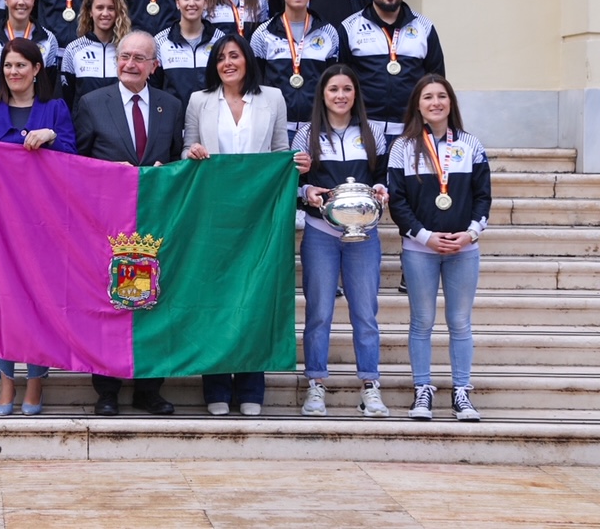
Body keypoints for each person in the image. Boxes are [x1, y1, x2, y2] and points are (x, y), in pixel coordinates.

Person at [183, 34, 294, 416]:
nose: (227, 62)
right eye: (220, 57)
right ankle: (215, 386)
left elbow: (281, 150)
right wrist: (192, 152)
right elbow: (187, 149)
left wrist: (297, 166)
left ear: (247, 60)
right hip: (213, 213)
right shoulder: (199, 101)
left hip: (258, 213)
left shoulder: (273, 98)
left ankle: (250, 386)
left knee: (254, 297)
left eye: (234, 55)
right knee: (214, 299)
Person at [74, 30, 184, 415]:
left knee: (154, 300)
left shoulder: (170, 105)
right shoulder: (91, 102)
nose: (131, 64)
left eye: (140, 58)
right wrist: (107, 173)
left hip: (155, 221)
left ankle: (149, 390)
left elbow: (176, 162)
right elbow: (79, 163)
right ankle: (106, 390)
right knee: (110, 304)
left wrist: (163, 171)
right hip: (106, 223)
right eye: (125, 56)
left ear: (154, 66)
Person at [0, 37, 76, 415]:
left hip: (46, 224)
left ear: (36, 70)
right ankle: (6, 382)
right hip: (1, 224)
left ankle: (35, 383)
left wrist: (52, 137)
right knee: (3, 301)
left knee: (39, 302)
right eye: (8, 65)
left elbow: (73, 160)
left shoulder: (55, 108)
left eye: (21, 65)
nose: (13, 72)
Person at [388, 75, 491, 422]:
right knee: (422, 321)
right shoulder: (403, 147)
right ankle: (423, 391)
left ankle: (461, 393)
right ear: (417, 104)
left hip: (463, 248)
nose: (436, 102)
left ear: (451, 102)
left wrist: (471, 234)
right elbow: (398, 202)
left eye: (442, 96)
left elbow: (483, 196)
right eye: (428, 97)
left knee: (460, 322)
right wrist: (424, 236)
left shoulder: (471, 145)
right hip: (420, 249)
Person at [292, 65, 389, 418]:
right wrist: (307, 190)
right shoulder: (306, 134)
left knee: (365, 314)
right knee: (319, 313)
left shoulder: (373, 132)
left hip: (364, 235)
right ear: (323, 94)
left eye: (347, 89)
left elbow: (382, 177)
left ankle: (370, 386)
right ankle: (316, 384)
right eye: (334, 89)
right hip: (321, 233)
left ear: (355, 94)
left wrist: (382, 191)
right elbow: (293, 182)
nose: (340, 96)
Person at [339, 0, 445, 138]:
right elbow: (340, 81)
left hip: (412, 129)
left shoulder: (424, 27)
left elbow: (436, 79)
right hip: (363, 129)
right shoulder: (350, 27)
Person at [251, 0, 340, 137]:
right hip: (275, 129)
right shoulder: (263, 34)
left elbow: (333, 82)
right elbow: (255, 84)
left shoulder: (328, 33)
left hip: (317, 128)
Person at [155, 0, 224, 109]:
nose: (191, 3)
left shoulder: (220, 40)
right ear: (177, 2)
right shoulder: (160, 41)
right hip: (172, 122)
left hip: (210, 120)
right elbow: (154, 87)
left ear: (205, 3)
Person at [60, 0, 130, 109]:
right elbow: (67, 97)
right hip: (84, 127)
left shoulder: (127, 49)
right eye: (99, 8)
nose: (105, 13)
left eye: (111, 8)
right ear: (90, 12)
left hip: (121, 126)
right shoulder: (74, 49)